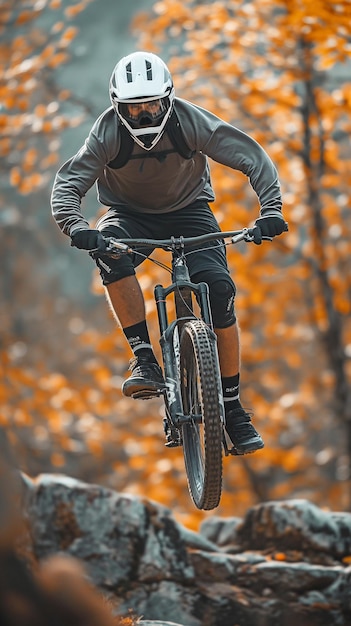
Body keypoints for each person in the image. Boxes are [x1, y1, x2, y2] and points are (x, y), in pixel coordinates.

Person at [51, 51, 287, 455]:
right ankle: (144, 357)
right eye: (134, 107)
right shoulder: (107, 132)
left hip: (191, 212)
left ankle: (231, 407)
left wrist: (271, 209)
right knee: (110, 255)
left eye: (152, 105)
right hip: (128, 216)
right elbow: (68, 185)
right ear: (116, 106)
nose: (144, 115)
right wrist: (77, 227)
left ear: (169, 99)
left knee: (219, 290)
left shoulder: (190, 121)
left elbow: (252, 157)